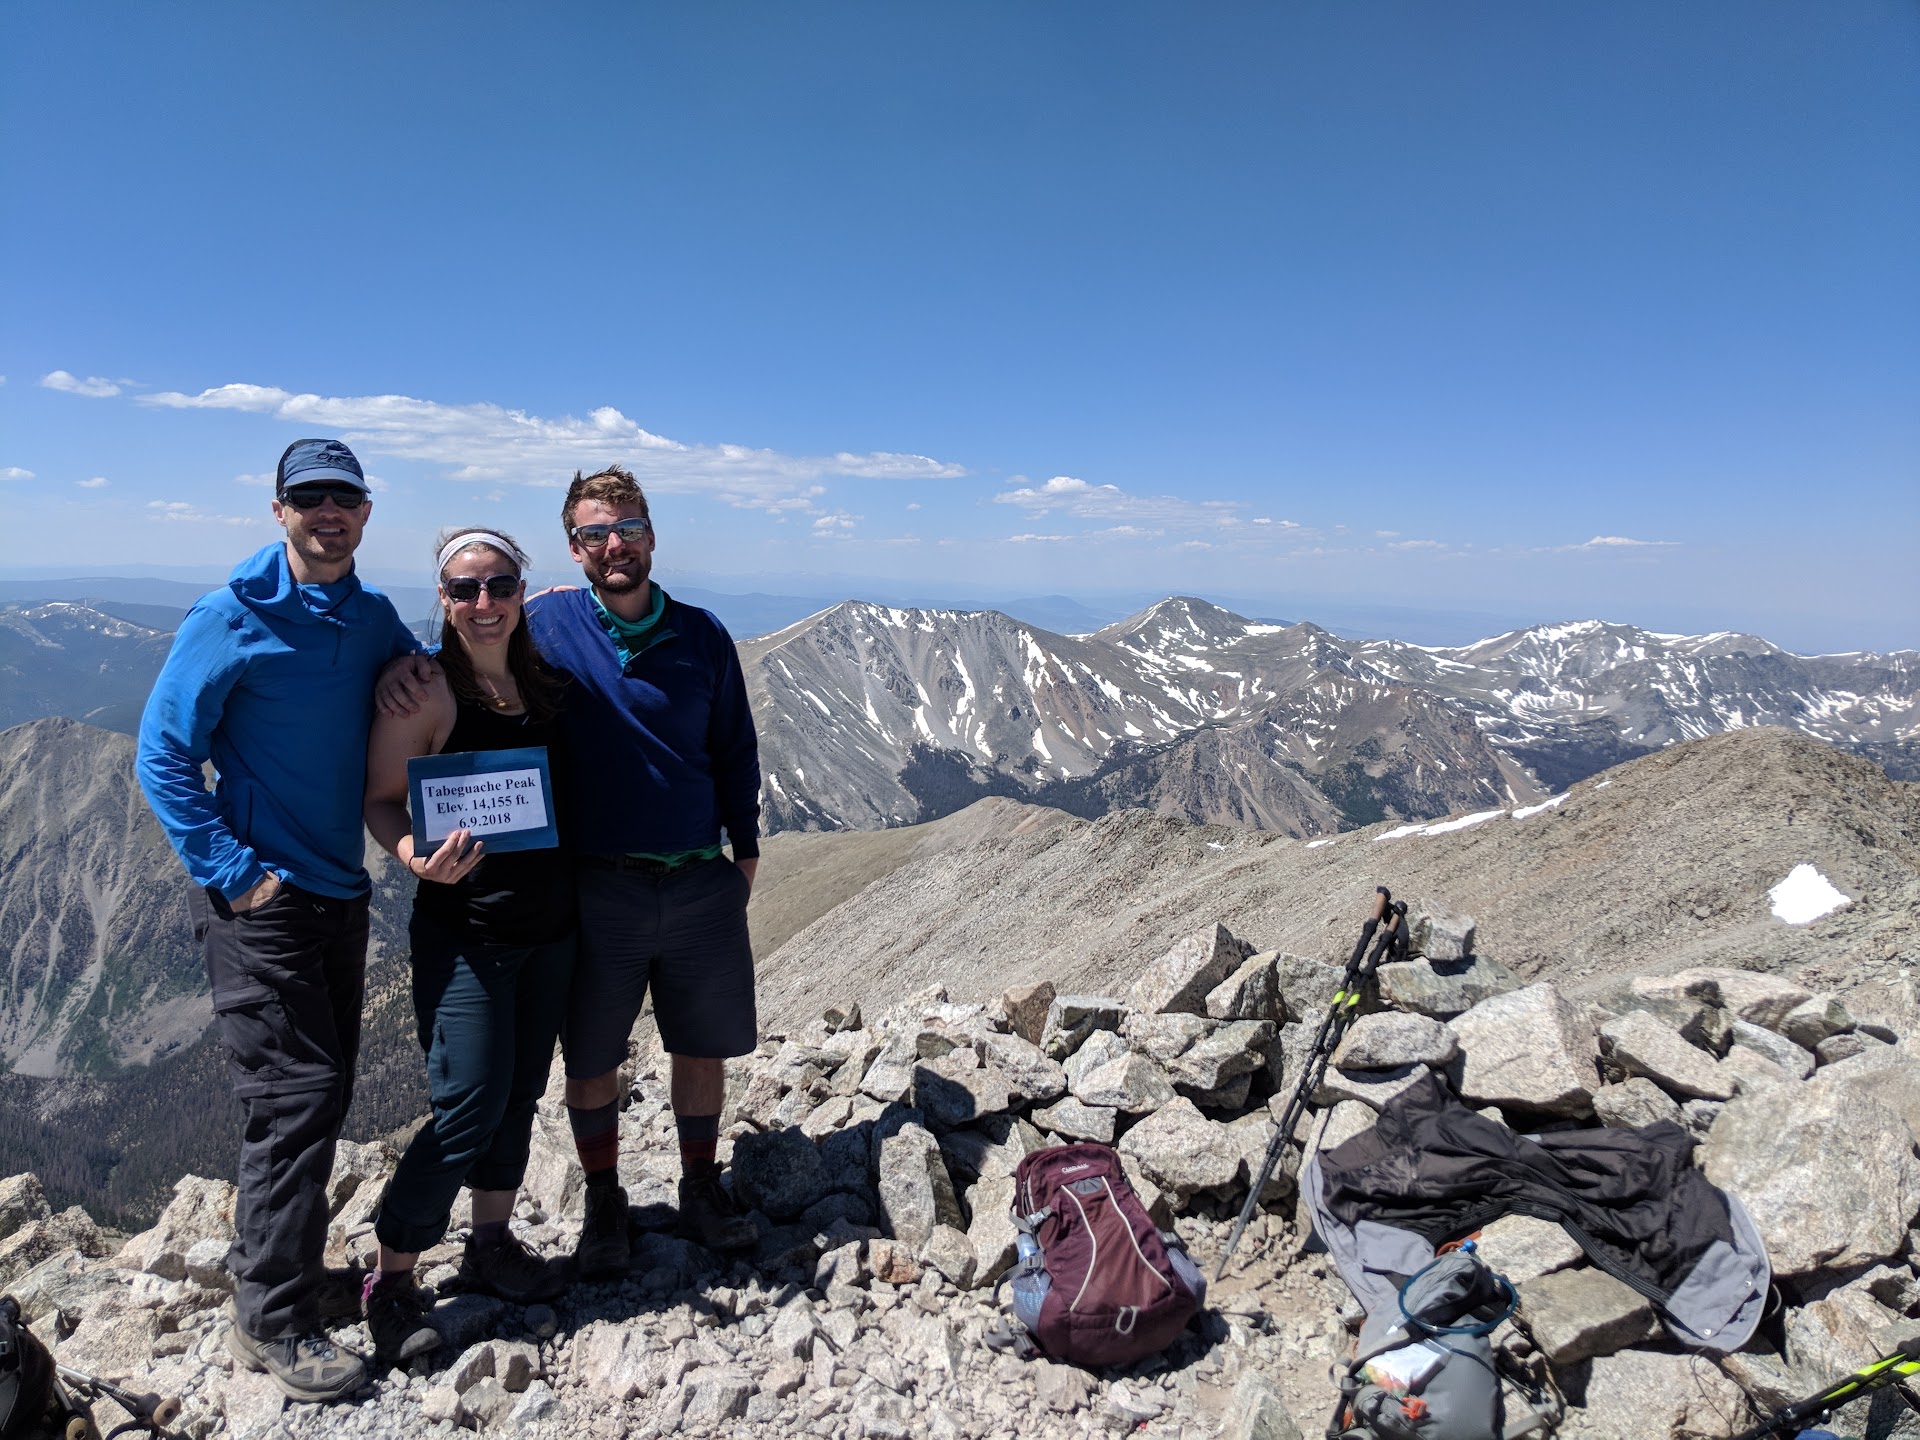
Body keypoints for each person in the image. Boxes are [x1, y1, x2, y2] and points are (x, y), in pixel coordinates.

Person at [384, 464, 764, 1274]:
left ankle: (700, 1188)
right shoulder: (550, 624)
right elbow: (473, 635)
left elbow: (734, 746)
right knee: (593, 1055)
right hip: (600, 883)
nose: (614, 544)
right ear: (574, 547)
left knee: (700, 1047)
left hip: (699, 874)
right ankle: (603, 1204)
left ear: (651, 536)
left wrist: (747, 852)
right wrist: (406, 667)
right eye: (595, 533)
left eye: (627, 528)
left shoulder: (701, 636)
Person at [136, 439, 417, 1403]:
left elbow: (416, 685)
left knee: (320, 1093)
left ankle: (289, 1277)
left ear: (366, 513)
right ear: (279, 510)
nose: (328, 512)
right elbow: (161, 757)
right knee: (293, 1099)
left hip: (341, 892)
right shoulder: (230, 616)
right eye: (310, 499)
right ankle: (272, 1318)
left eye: (344, 497)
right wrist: (235, 874)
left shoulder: (372, 618)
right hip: (264, 903)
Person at [357, 528, 574, 1370]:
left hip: (551, 931)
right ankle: (394, 1275)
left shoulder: (542, 679)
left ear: (522, 590)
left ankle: (490, 1243)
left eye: (500, 584)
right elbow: (382, 802)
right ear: (441, 598)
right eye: (463, 588)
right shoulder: (426, 694)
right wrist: (416, 859)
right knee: (468, 1105)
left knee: (518, 1093)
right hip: (469, 935)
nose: (484, 602)